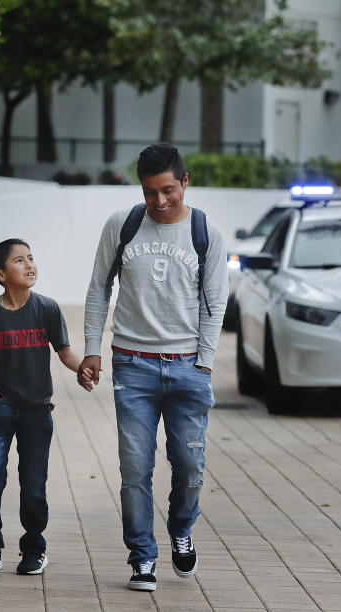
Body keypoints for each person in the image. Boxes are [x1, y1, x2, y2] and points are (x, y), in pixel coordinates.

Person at [78, 143, 228, 591]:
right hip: (133, 365)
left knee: (189, 465)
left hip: (187, 367)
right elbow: (98, 289)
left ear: (184, 182)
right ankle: (142, 557)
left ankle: (181, 528)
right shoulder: (122, 226)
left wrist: (204, 363)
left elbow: (215, 303)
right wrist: (92, 349)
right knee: (134, 467)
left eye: (168, 190)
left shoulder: (205, 231)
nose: (160, 202)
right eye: (149, 192)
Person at [0, 238, 87, 575]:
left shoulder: (46, 308)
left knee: (33, 482)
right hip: (0, 409)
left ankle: (34, 548)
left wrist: (83, 369)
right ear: (1, 274)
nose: (29, 265)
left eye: (31, 258)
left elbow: (64, 351)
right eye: (19, 261)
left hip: (37, 411)